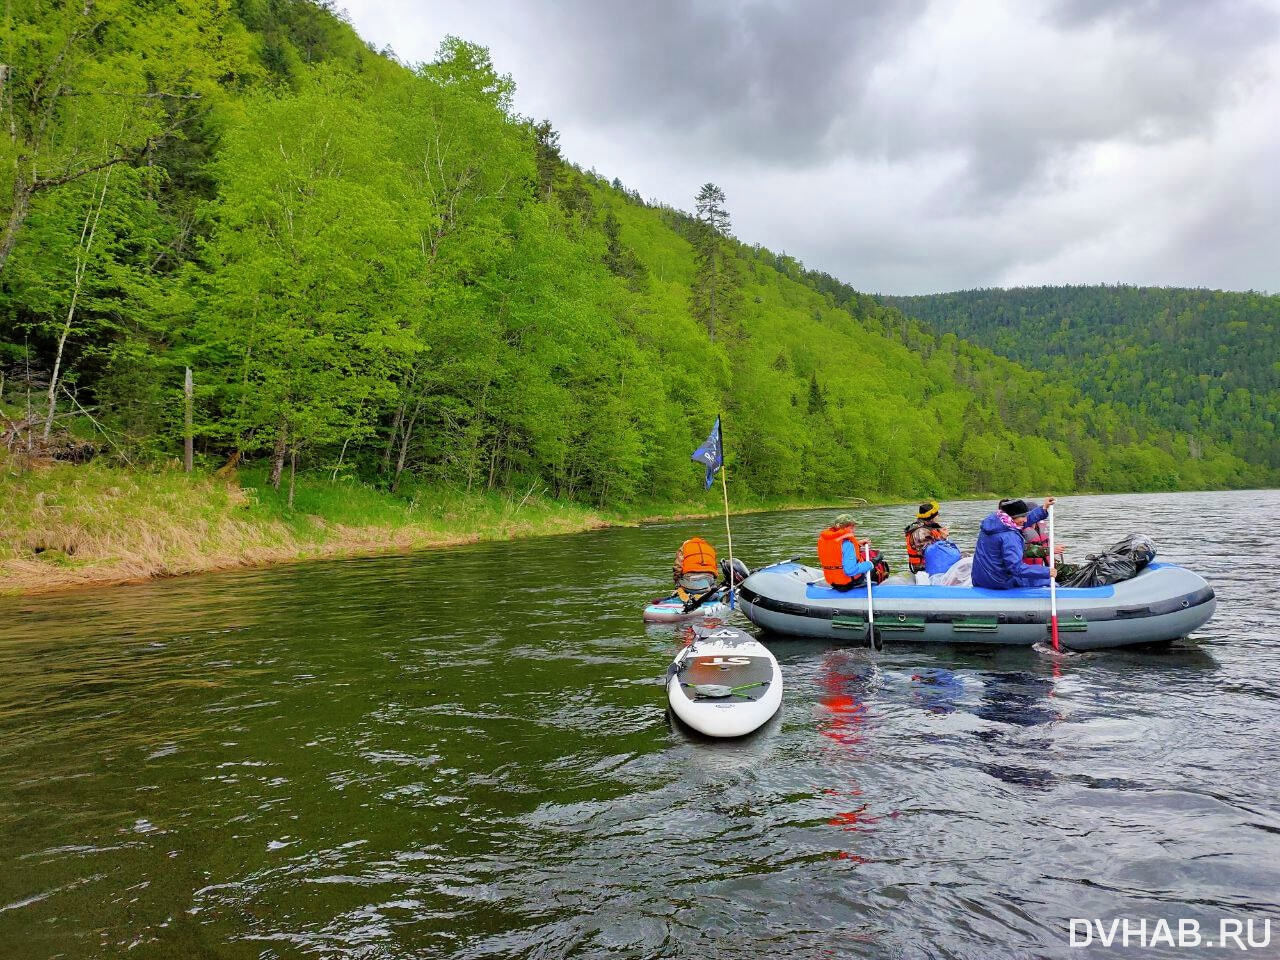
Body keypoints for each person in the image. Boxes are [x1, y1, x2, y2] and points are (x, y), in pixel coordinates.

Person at [972, 497, 1057, 590]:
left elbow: (1024, 519)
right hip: (999, 582)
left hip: (979, 579)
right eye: (1023, 517)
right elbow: (1016, 568)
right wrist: (1046, 571)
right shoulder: (1009, 536)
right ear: (1012, 517)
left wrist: (1044, 508)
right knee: (1049, 581)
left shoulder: (995, 522)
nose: (1025, 520)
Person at [817, 514, 886, 591]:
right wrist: (873, 562)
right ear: (842, 528)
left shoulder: (825, 539)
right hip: (848, 583)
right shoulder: (847, 544)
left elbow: (837, 553)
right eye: (851, 527)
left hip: (833, 582)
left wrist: (858, 544)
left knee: (863, 563)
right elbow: (850, 571)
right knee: (873, 569)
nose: (854, 530)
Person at [672, 537, 720, 608]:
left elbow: (677, 568)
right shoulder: (710, 548)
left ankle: (689, 594)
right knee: (711, 585)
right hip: (708, 580)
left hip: (691, 580)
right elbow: (715, 571)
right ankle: (708, 594)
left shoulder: (684, 548)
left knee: (680, 582)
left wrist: (677, 582)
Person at [904, 500, 949, 573]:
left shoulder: (930, 527)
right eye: (937, 515)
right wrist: (942, 538)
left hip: (932, 564)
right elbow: (929, 552)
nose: (939, 516)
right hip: (923, 568)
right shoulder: (920, 532)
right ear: (931, 518)